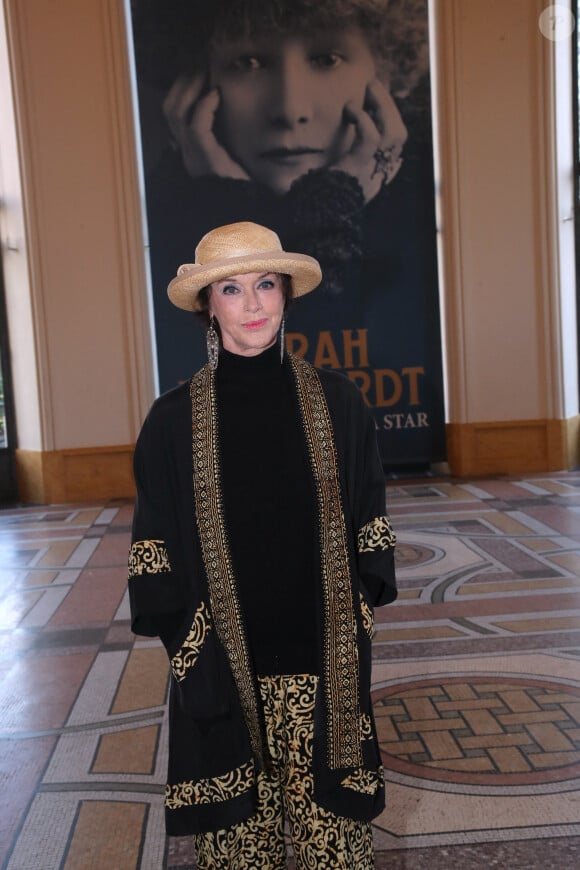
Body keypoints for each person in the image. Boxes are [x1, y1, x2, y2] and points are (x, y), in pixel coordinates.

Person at [128, 221, 398, 868]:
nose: (252, 305)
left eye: (265, 285)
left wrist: (354, 616)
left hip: (321, 666)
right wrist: (192, 659)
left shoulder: (339, 402)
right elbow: (154, 552)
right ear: (207, 304)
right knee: (239, 850)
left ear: (286, 295)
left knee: (336, 847)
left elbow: (370, 526)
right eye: (231, 288)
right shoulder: (171, 420)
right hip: (223, 672)